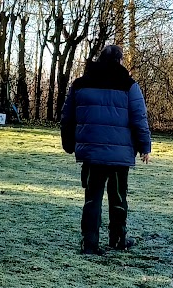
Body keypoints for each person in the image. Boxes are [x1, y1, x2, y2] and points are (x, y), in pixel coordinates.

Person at [60, 43, 151, 254]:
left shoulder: (80, 84)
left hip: (91, 154)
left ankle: (89, 243)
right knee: (118, 197)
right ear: (119, 61)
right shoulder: (129, 85)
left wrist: (69, 143)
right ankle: (118, 239)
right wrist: (144, 146)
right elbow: (139, 118)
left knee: (92, 198)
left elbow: (67, 117)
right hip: (119, 156)